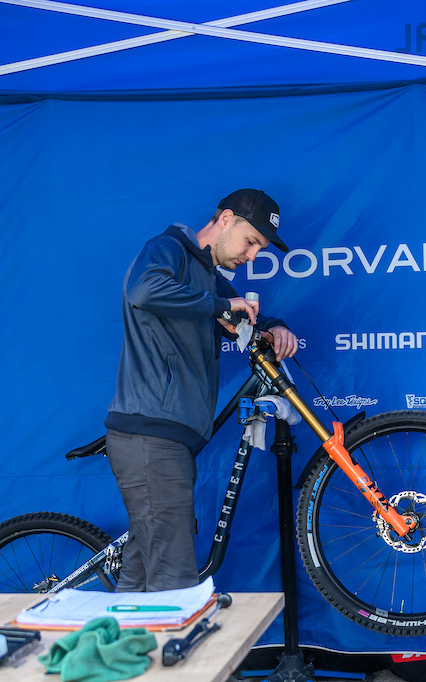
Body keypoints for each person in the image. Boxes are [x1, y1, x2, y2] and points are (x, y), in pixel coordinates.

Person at [104, 188, 299, 592]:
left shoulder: (209, 278)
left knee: (141, 581)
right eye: (251, 242)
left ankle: (112, 652)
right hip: (151, 435)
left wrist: (275, 326)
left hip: (170, 439)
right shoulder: (168, 247)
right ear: (226, 219)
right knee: (173, 583)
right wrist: (219, 308)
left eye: (259, 249)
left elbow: (244, 317)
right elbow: (144, 290)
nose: (252, 256)